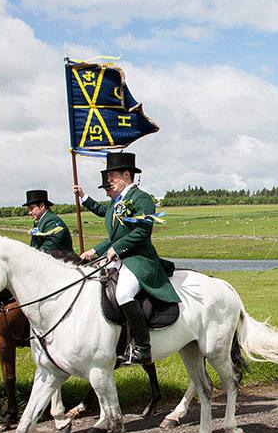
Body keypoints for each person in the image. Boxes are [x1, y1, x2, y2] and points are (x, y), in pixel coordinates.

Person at [80, 152, 179, 366]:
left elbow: (142, 231)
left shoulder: (141, 198)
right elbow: (116, 236)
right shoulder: (118, 202)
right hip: (121, 258)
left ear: (127, 174)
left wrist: (116, 248)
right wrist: (95, 251)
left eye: (113, 176)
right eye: (108, 177)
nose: (109, 181)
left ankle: (143, 348)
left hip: (139, 260)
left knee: (123, 293)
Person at [23, 189, 73, 254]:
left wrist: (32, 257)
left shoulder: (52, 221)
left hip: (65, 262)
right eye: (28, 209)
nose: (29, 212)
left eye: (32, 208)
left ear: (42, 206)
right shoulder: (41, 221)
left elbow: (49, 247)